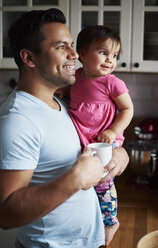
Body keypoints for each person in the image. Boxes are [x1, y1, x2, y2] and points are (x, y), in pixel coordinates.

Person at [0, 9, 129, 248]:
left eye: (72, 46)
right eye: (61, 47)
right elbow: (5, 214)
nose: (75, 55)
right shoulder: (16, 121)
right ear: (29, 58)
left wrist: (119, 153)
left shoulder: (63, 103)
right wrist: (75, 179)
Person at [67, 25, 134, 246]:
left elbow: (127, 109)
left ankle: (110, 221)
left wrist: (113, 132)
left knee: (103, 180)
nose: (110, 60)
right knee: (87, 180)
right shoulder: (75, 78)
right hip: (86, 138)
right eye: (103, 52)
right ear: (82, 54)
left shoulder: (112, 82)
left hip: (106, 138)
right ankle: (92, 219)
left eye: (114, 55)